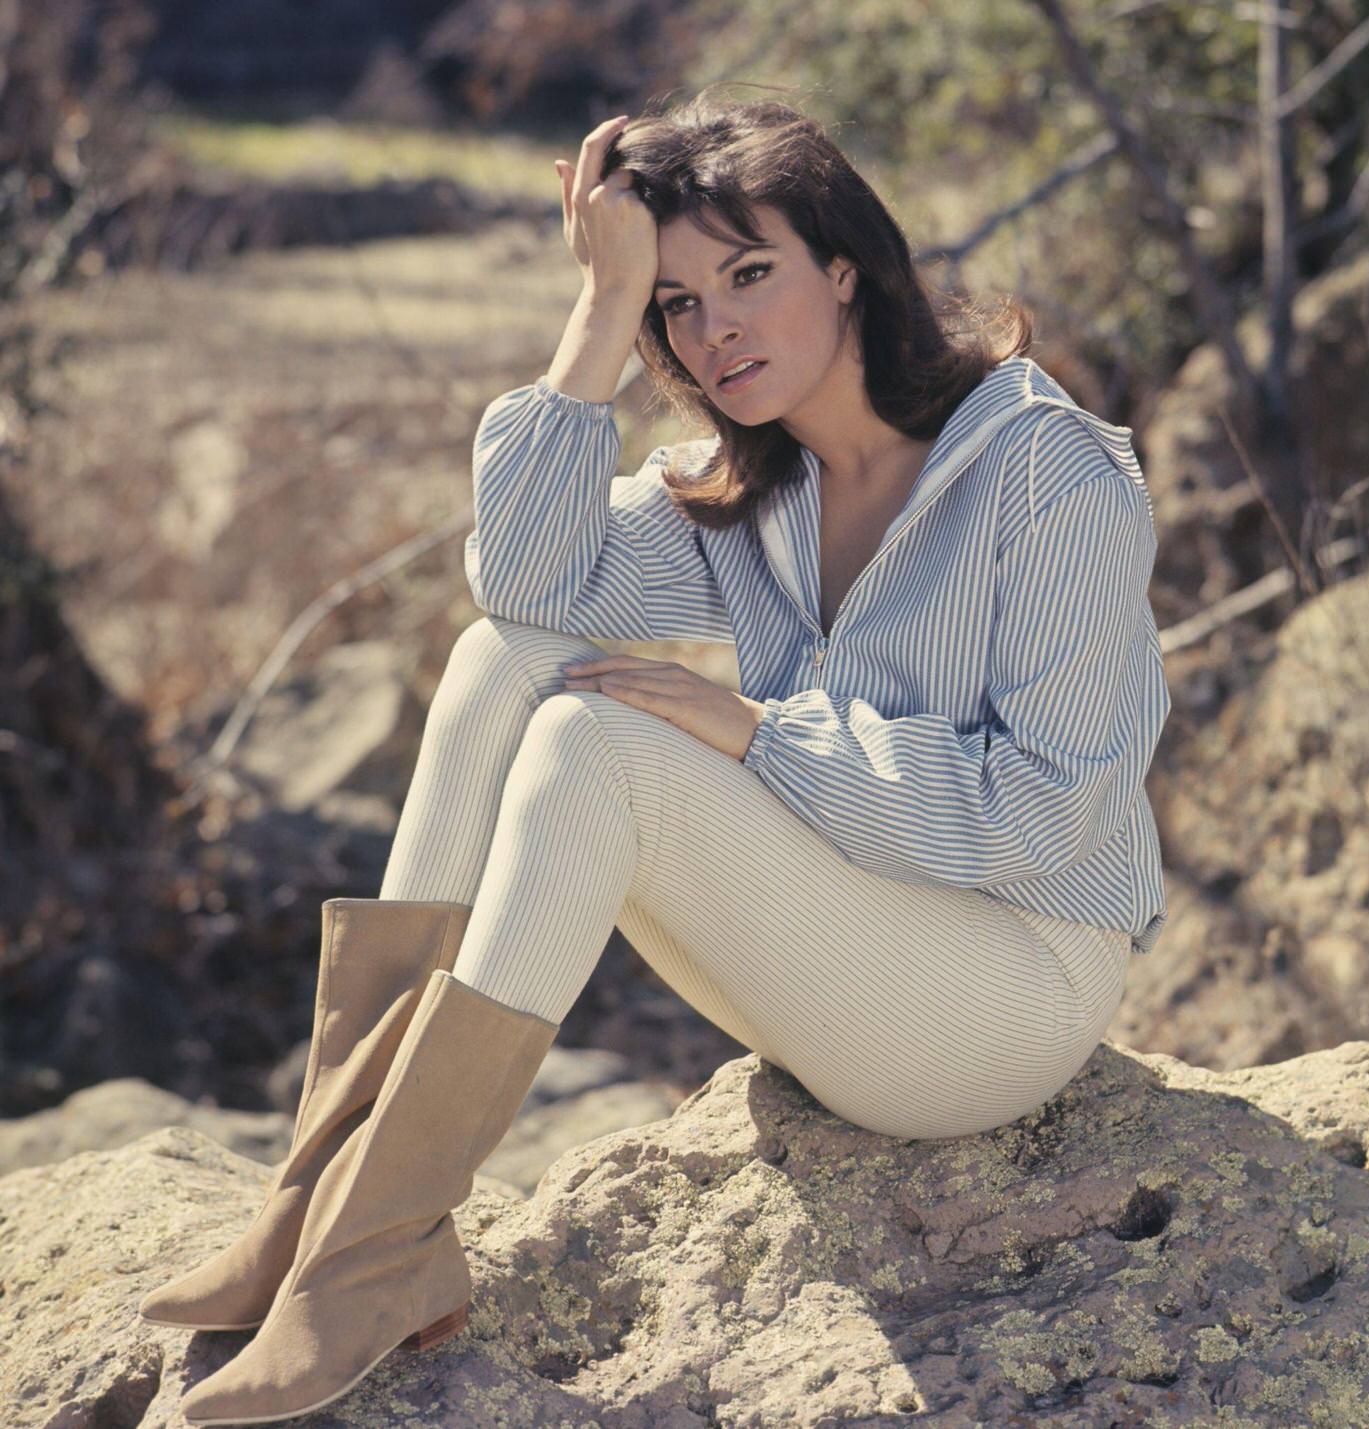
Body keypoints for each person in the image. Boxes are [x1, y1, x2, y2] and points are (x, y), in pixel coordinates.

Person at [149, 90, 1171, 1424]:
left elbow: (1046, 820)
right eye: (677, 303)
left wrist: (762, 736)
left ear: (849, 268)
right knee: (505, 662)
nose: (717, 326)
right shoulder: (757, 493)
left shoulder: (1047, 479)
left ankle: (369, 1251)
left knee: (598, 743)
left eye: (750, 274)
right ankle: (331, 1203)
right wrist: (596, 311)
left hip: (1009, 986)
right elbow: (524, 580)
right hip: (852, 944)